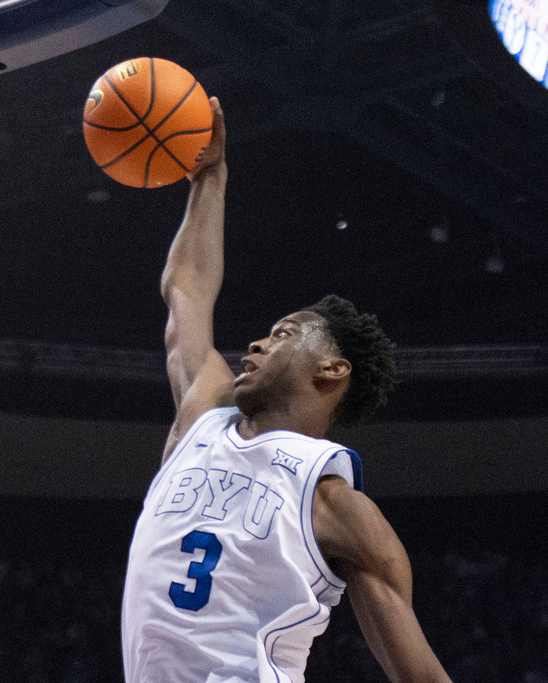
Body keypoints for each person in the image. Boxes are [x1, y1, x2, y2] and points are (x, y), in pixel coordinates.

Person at [120, 97, 451, 683]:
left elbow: (418, 675)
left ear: (332, 369)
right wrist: (210, 181)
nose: (257, 344)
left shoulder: (337, 506)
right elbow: (187, 291)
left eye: (284, 334)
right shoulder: (205, 417)